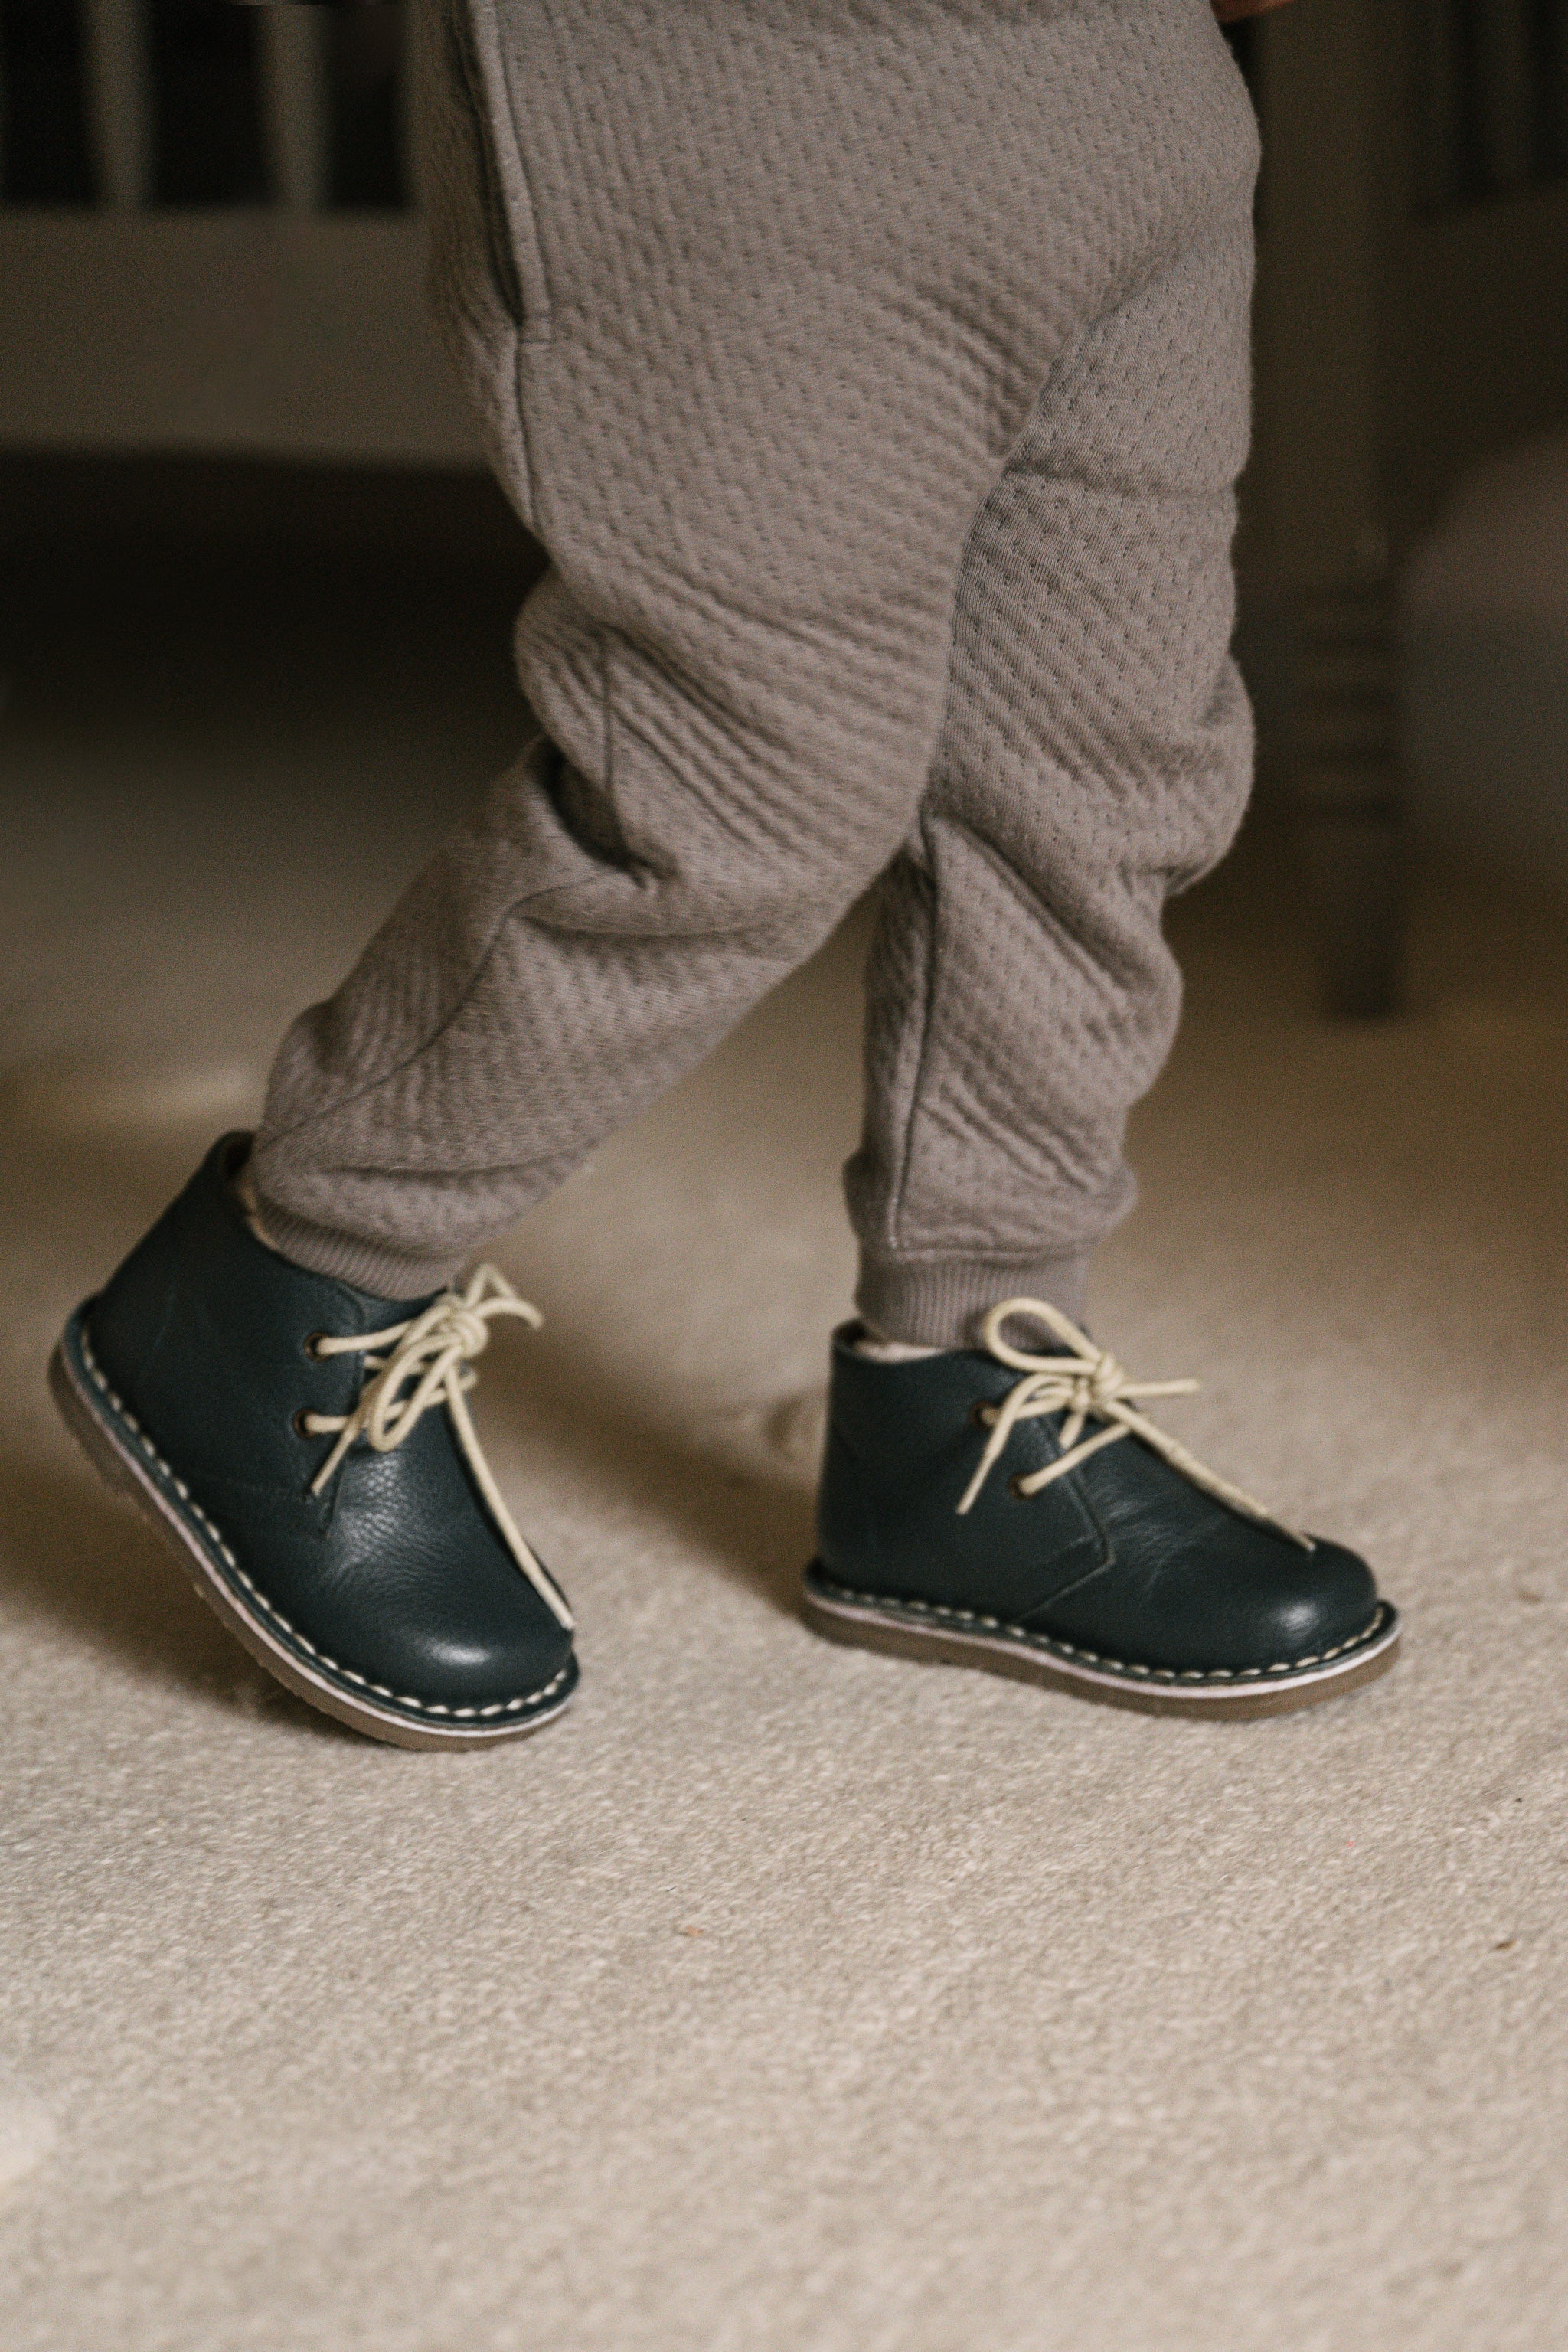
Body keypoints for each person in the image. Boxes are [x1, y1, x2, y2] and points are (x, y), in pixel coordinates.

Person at [49, 0, 1399, 1749]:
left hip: (1128, 83)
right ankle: (295, 1269)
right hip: (738, 76)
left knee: (1101, 776)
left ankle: (966, 1393)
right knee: (739, 782)